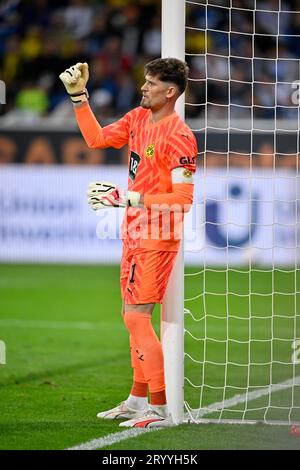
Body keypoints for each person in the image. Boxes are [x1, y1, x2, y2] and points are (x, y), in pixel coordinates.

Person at [59, 58, 198, 428]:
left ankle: (160, 408)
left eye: (151, 83)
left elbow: (183, 201)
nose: (143, 88)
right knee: (130, 318)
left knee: (137, 319)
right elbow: (97, 139)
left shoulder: (179, 136)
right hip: (133, 232)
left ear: (170, 92)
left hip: (157, 236)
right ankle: (137, 401)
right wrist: (78, 97)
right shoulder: (138, 118)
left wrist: (131, 198)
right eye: (145, 81)